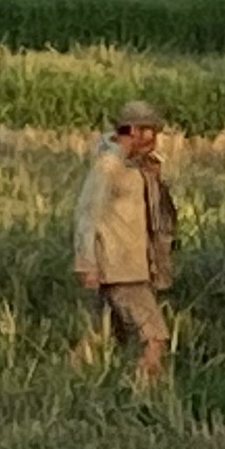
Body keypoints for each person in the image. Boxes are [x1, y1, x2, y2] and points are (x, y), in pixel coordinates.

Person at [70, 101, 179, 386]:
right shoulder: (109, 166)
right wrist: (86, 262)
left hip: (131, 265)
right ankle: (146, 389)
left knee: (101, 334)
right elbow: (87, 214)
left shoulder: (136, 168)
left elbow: (161, 216)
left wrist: (155, 180)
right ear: (132, 130)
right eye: (149, 132)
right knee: (155, 336)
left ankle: (71, 381)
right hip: (121, 268)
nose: (153, 140)